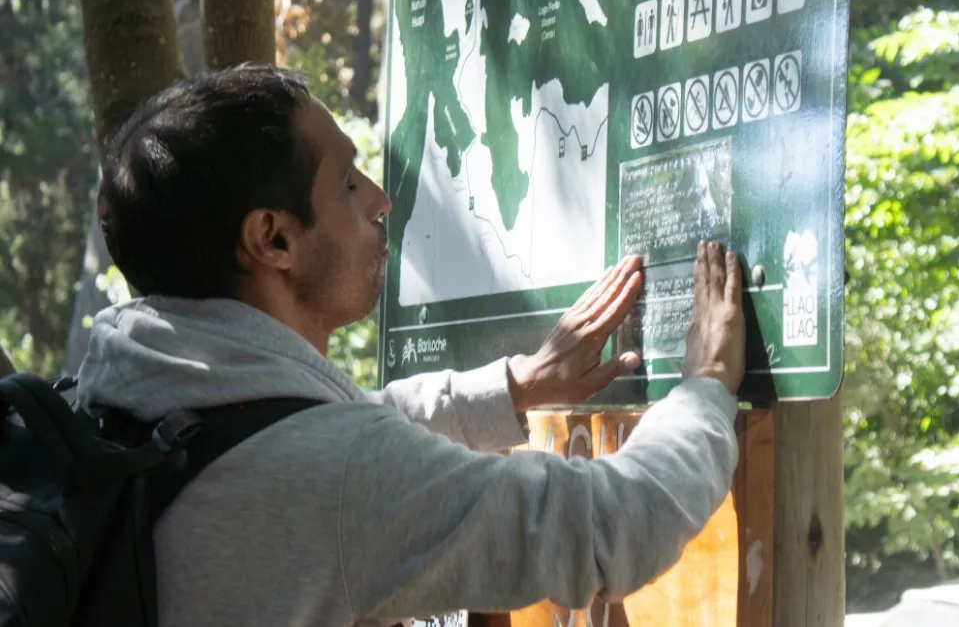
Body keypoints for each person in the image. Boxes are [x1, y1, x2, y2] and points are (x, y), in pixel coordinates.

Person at [78, 63, 746, 627]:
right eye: (346, 182)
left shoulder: (117, 403)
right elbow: (613, 525)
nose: (378, 201)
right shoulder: (335, 478)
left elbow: (316, 433)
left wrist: (513, 384)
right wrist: (706, 385)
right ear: (273, 239)